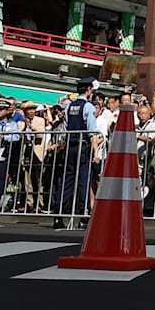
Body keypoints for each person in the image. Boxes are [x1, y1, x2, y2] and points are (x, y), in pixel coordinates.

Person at [54, 80, 99, 229]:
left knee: (66, 180)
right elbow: (92, 132)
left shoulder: (68, 107)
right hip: (82, 147)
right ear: (88, 90)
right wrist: (96, 152)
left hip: (69, 147)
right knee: (83, 181)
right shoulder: (88, 107)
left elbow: (65, 130)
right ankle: (83, 214)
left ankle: (58, 213)